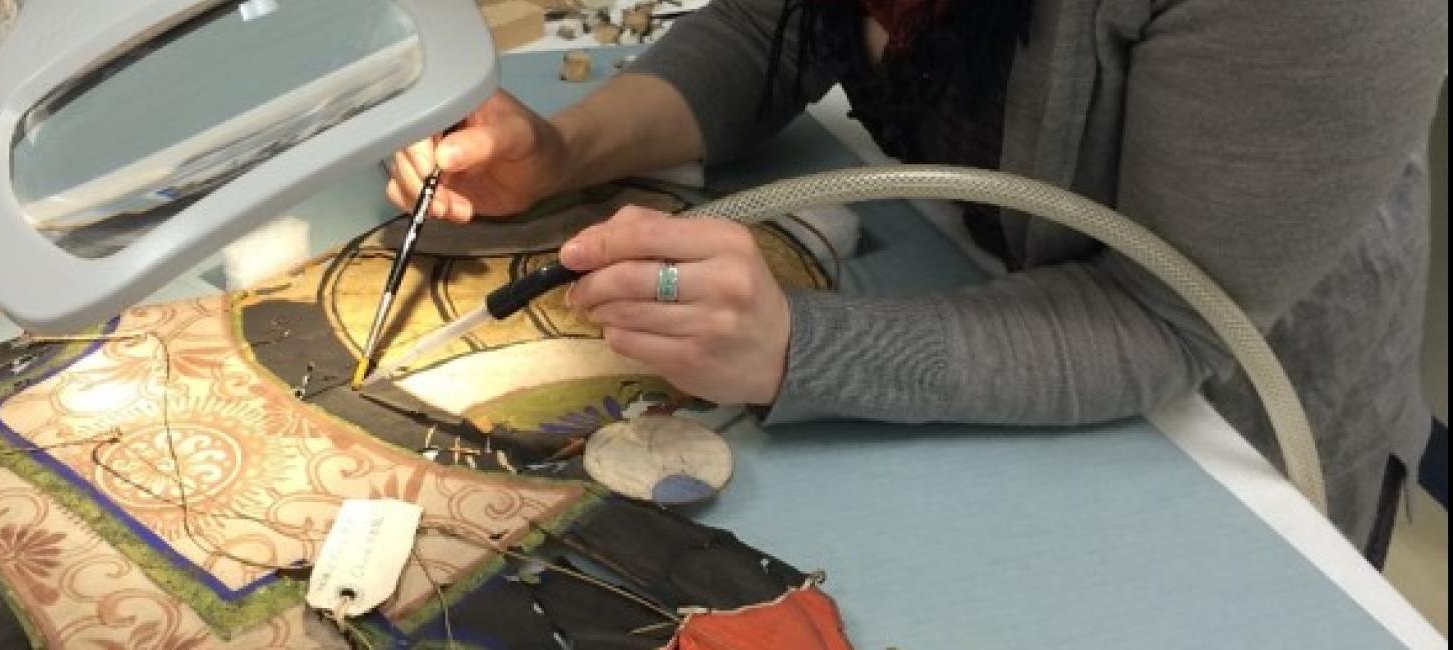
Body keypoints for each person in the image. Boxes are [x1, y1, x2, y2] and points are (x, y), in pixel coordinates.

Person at [386, 0, 1446, 565]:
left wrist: (802, 348)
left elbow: (1163, 311)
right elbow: (777, 25)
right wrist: (567, 151)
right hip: (971, 268)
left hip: (1215, 419)